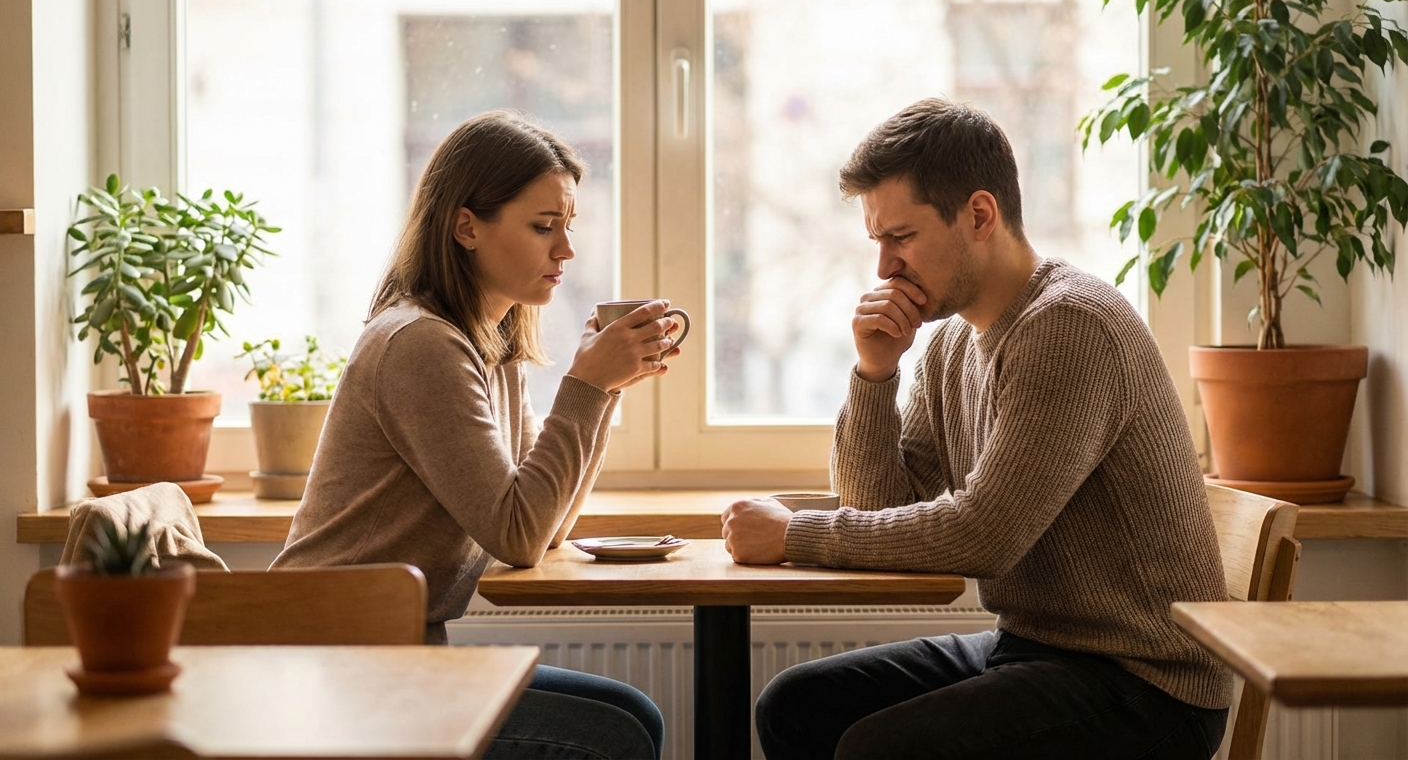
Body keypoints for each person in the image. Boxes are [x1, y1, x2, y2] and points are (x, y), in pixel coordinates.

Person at [720, 98, 1233, 760]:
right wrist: (874, 375)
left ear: (980, 216)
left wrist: (794, 534)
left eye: (900, 237)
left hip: (1146, 685)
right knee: (796, 706)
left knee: (878, 749)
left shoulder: (1070, 324)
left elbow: (982, 533)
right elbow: (881, 506)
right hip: (1037, 648)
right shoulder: (952, 341)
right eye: (877, 241)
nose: (884, 268)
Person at [273, 110, 672, 760]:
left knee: (633, 715)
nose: (566, 251)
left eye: (568, 227)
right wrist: (587, 388)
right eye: (544, 227)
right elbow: (515, 533)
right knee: (616, 733)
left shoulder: (493, 340)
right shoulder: (420, 344)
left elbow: (543, 529)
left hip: (395, 652)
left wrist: (605, 393)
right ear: (466, 227)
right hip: (334, 660)